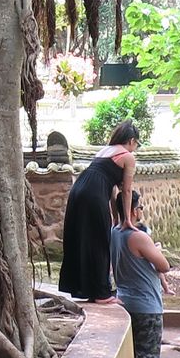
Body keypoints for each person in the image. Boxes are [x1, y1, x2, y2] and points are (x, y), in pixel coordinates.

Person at [58, 119, 140, 302]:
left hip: (79, 190)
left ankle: (85, 289)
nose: (135, 148)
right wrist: (126, 219)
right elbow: (125, 190)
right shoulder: (127, 156)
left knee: (83, 238)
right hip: (93, 194)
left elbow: (111, 189)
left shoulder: (104, 151)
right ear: (132, 140)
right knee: (99, 241)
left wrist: (114, 216)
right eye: (136, 144)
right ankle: (101, 293)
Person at [111, 189, 173, 358]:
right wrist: (157, 250)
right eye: (140, 207)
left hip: (125, 300)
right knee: (146, 354)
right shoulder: (137, 236)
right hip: (146, 304)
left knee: (134, 352)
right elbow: (164, 265)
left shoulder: (114, 232)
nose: (141, 211)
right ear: (133, 210)